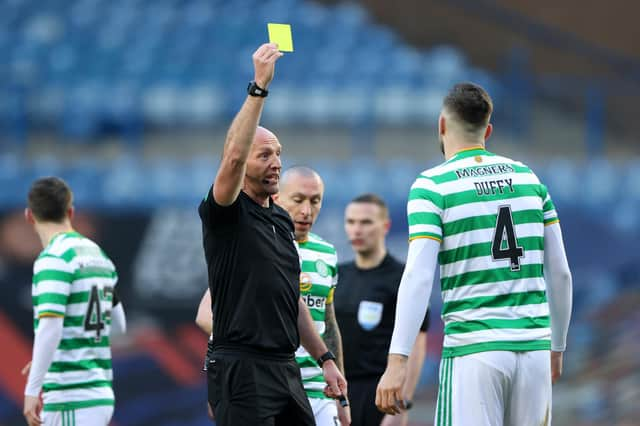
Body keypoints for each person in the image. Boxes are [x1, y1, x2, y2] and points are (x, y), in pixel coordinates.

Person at [376, 82, 573, 426]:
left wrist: (398, 360)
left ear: (441, 125)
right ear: (489, 130)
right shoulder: (528, 178)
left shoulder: (433, 185)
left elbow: (420, 277)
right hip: (534, 347)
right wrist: (557, 346)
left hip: (474, 349)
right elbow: (560, 273)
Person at [199, 43, 346, 426]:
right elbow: (232, 156)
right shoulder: (226, 215)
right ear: (242, 159)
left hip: (285, 367)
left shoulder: (281, 221)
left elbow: (290, 298)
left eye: (278, 153)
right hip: (241, 368)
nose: (276, 162)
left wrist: (325, 358)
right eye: (264, 154)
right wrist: (259, 88)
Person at [196, 166, 351, 425]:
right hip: (266, 379)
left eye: (315, 201)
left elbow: (329, 323)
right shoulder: (254, 245)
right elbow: (205, 315)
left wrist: (341, 392)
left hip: (317, 385)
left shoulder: (327, 253)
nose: (306, 210)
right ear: (277, 198)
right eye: (298, 199)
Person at [22, 176, 126, 426]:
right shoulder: (99, 256)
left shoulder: (54, 258)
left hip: (72, 395)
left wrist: (31, 390)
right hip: (99, 392)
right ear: (70, 212)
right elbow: (119, 325)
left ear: (29, 216)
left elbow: (50, 326)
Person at [333, 193, 429, 426]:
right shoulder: (337, 276)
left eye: (365, 222)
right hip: (339, 394)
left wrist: (402, 403)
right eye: (351, 222)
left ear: (385, 226)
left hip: (381, 395)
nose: (357, 230)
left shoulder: (402, 279)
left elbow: (417, 343)